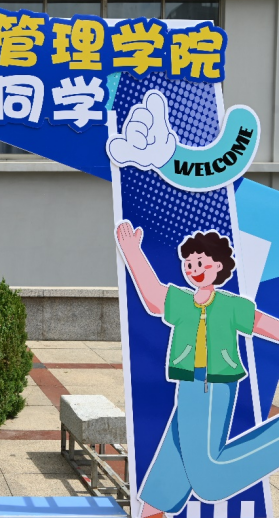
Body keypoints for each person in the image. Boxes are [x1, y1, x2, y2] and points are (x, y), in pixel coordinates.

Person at [115, 221, 279, 518]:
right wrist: (132, 252)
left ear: (218, 266)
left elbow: (261, 323)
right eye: (189, 264)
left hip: (215, 386)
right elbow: (153, 296)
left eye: (200, 263)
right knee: (173, 461)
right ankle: (152, 511)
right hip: (188, 383)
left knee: (210, 479)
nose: (193, 269)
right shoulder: (182, 300)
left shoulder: (230, 305)